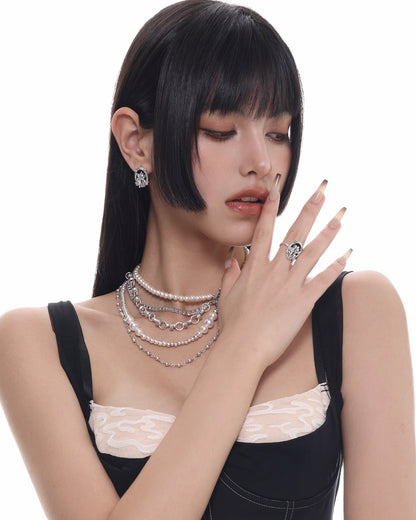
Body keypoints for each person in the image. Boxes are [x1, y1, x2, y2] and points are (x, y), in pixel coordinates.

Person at [0, 0, 415, 518]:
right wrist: (244, 347)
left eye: (278, 133)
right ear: (135, 142)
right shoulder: (37, 343)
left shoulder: (358, 310)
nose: (261, 162)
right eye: (220, 131)